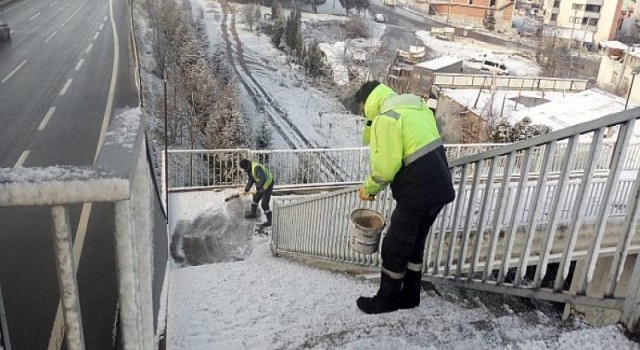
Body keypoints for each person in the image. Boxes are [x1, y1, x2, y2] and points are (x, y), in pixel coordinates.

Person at [353, 81, 455, 314]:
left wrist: (369, 189)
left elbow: (384, 170)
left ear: (367, 101)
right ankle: (410, 296)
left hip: (417, 192)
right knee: (414, 244)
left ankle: (386, 301)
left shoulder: (386, 118)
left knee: (394, 247)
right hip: (439, 187)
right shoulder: (415, 107)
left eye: (361, 105)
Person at [239, 159, 275, 228]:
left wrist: (259, 188)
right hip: (261, 183)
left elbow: (263, 178)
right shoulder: (250, 169)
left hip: (268, 183)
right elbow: (251, 180)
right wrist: (246, 189)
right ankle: (253, 214)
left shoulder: (256, 167)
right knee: (255, 198)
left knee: (264, 204)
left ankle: (270, 221)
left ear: (246, 166)